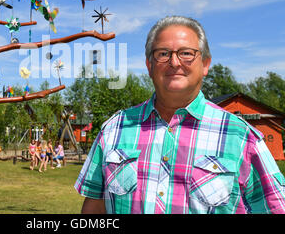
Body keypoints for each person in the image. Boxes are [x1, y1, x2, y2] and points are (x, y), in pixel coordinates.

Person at [75, 15, 285, 214]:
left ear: (205, 64)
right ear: (149, 66)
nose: (174, 62)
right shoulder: (114, 129)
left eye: (186, 53)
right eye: (163, 53)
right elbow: (95, 207)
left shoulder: (241, 138)